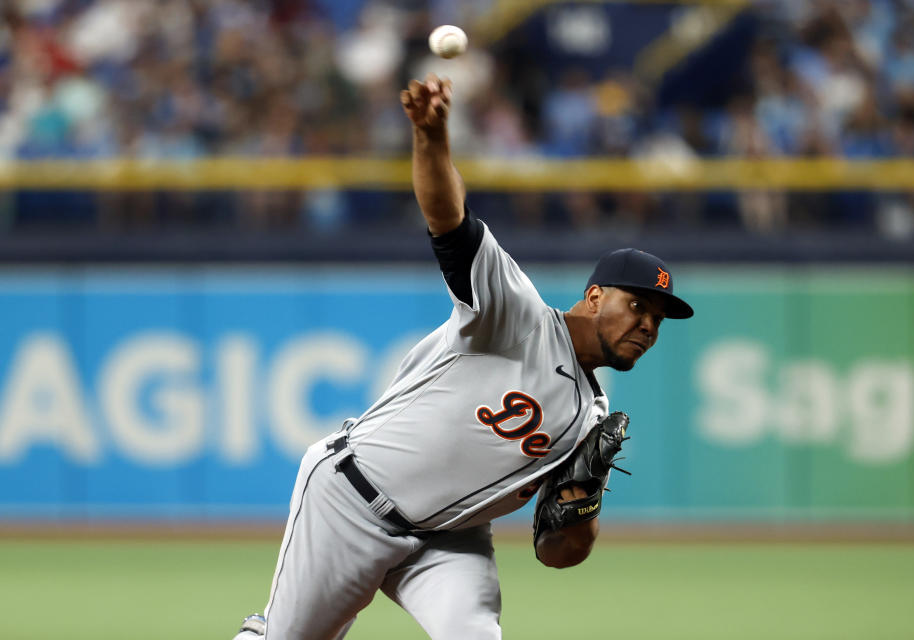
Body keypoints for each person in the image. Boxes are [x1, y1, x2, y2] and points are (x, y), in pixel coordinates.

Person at [232, 73, 694, 640]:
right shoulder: (516, 313)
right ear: (595, 295)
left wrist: (585, 503)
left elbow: (557, 554)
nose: (647, 324)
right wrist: (430, 138)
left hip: (449, 538)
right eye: (637, 305)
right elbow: (449, 221)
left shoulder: (590, 417)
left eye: (658, 318)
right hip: (352, 500)